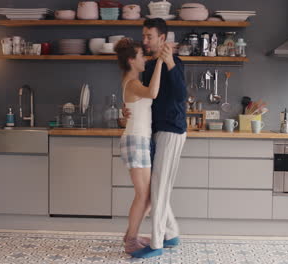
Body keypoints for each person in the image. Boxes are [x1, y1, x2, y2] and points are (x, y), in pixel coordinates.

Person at [124, 18, 187, 259]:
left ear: (163, 38)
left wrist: (170, 62)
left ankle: (158, 242)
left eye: (149, 36)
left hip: (172, 131)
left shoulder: (175, 63)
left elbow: (181, 96)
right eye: (144, 36)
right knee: (156, 188)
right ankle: (171, 233)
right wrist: (125, 109)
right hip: (155, 132)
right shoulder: (150, 66)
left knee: (159, 190)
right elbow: (143, 96)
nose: (145, 40)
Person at [114, 38, 164, 255]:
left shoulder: (131, 81)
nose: (145, 59)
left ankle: (130, 235)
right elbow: (153, 93)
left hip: (138, 139)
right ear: (132, 60)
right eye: (141, 56)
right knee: (143, 196)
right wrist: (161, 62)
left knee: (149, 196)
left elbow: (132, 111)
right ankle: (131, 239)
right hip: (136, 140)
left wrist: (123, 116)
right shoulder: (133, 83)